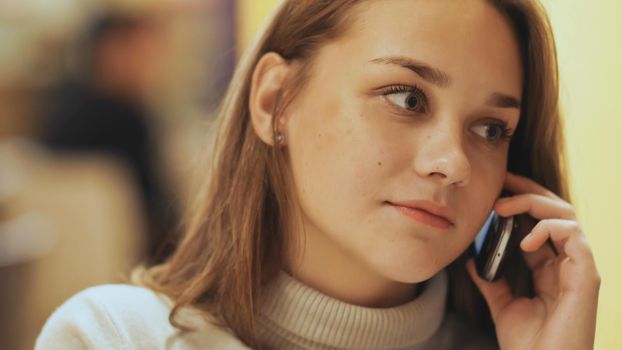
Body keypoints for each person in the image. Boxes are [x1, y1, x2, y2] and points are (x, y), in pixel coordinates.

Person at [35, 0, 600, 349]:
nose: (452, 163)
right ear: (275, 101)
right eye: (406, 97)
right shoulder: (113, 337)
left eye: (491, 130)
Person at [39, 12, 178, 263]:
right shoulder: (126, 118)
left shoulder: (60, 102)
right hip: (134, 258)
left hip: (61, 261)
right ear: (109, 52)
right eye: (142, 53)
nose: (150, 65)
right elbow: (156, 209)